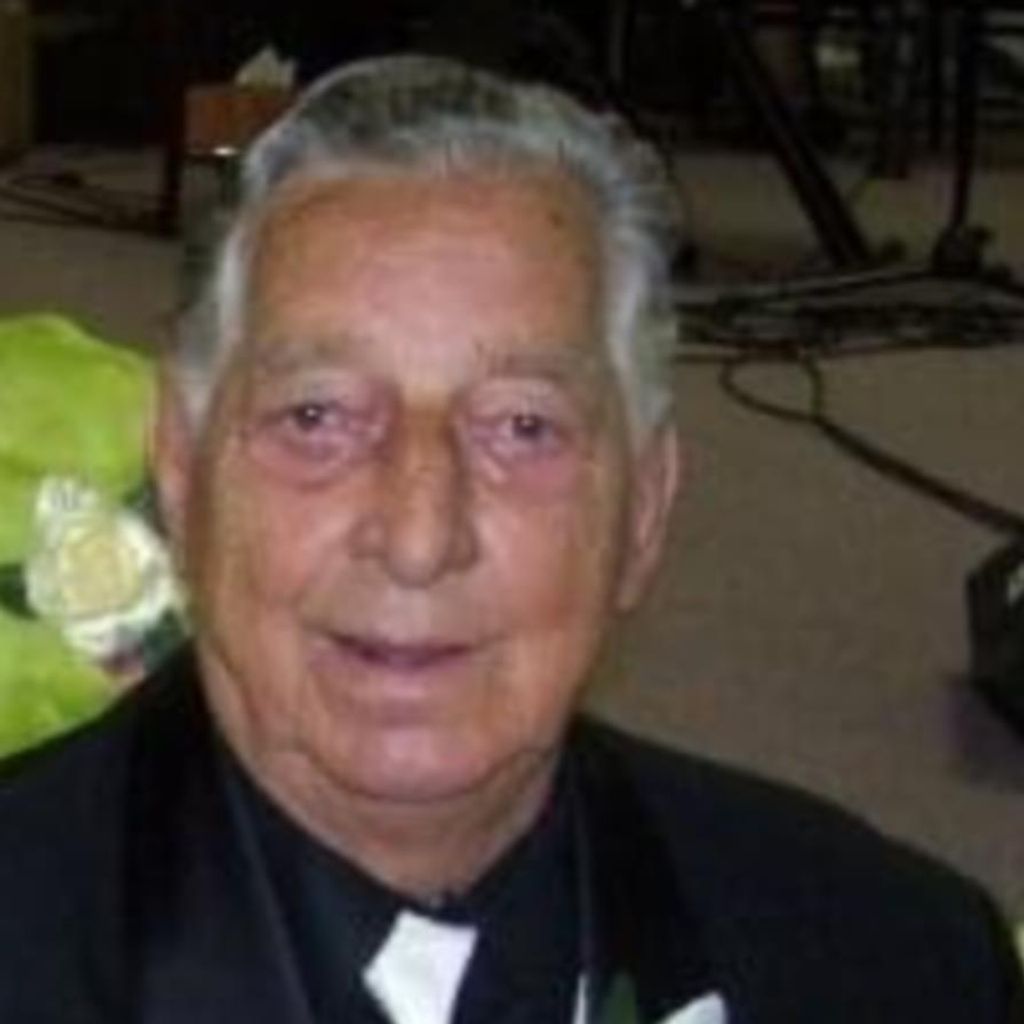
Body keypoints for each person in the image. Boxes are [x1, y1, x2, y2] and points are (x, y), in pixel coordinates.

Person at [0, 55, 1020, 1024]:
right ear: (182, 475)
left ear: (645, 511)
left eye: (523, 428)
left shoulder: (898, 961)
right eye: (317, 417)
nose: (418, 537)